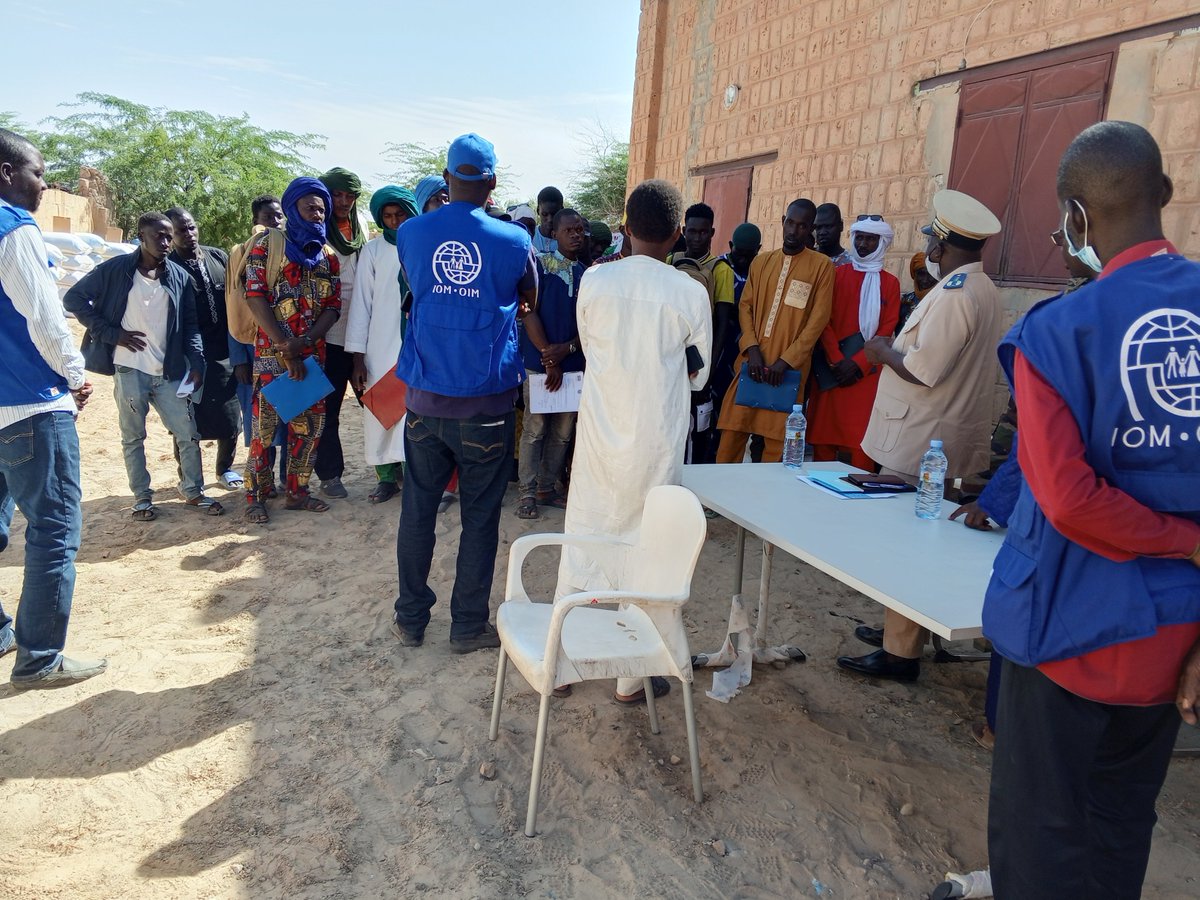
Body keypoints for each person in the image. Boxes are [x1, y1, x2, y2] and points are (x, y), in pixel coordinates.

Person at [982, 121, 1200, 900]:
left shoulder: (1059, 332)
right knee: (1120, 824)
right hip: (1175, 640)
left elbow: (1069, 501)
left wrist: (1179, 540)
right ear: (1165, 196)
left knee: (1039, 831)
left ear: (1076, 219)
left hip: (1070, 631)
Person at [555, 178, 711, 703]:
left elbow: (593, 349)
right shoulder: (689, 292)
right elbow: (699, 376)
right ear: (675, 235)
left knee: (583, 540)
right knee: (646, 551)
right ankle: (629, 679)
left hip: (601, 437)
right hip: (656, 443)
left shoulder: (595, 283)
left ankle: (555, 665)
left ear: (625, 230)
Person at [837, 189, 1002, 682]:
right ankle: (908, 627)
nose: (928, 244)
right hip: (945, 431)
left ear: (944, 243)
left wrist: (882, 350)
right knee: (926, 541)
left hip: (922, 437)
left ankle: (900, 652)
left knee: (905, 543)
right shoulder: (983, 288)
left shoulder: (954, 296)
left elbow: (923, 370)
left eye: (933, 237)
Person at [390, 133, 539, 653]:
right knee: (479, 517)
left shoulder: (411, 232)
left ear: (447, 177)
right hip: (487, 407)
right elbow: (529, 297)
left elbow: (417, 285)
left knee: (418, 510)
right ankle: (466, 626)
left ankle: (410, 619)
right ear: (493, 183)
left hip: (424, 404)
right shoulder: (514, 241)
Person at [0, 128, 106, 689]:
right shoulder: (13, 230)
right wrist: (73, 375)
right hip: (27, 406)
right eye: (38, 172)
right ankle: (39, 659)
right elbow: (43, 318)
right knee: (54, 528)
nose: (44, 184)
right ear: (6, 172)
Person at [64, 212, 221, 520]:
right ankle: (142, 499)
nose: (165, 242)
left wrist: (198, 361)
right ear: (141, 237)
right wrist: (112, 334)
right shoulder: (115, 270)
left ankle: (192, 491)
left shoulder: (179, 277)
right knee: (133, 436)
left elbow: (190, 326)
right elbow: (74, 299)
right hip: (129, 370)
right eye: (158, 236)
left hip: (170, 371)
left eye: (168, 236)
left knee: (187, 433)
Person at [241, 177, 342, 523]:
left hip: (312, 357)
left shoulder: (328, 255)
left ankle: (297, 492)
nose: (317, 213)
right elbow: (254, 295)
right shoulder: (267, 246)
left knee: (309, 429)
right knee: (263, 431)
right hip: (272, 357)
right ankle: (256, 495)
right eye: (310, 207)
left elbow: (333, 306)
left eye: (322, 208)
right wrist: (287, 348)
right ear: (291, 207)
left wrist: (306, 343)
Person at [715, 198, 834, 463]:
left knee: (776, 447)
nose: (794, 231)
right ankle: (715, 503)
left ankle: (764, 503)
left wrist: (786, 361)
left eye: (802, 226)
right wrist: (752, 349)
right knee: (731, 435)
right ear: (782, 222)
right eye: (790, 223)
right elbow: (745, 307)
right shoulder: (762, 263)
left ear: (811, 228)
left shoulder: (822, 267)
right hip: (751, 365)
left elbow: (818, 320)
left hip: (787, 373)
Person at [806, 216, 901, 470]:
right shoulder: (836, 275)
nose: (863, 244)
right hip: (832, 370)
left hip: (865, 375)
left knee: (862, 446)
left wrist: (858, 363)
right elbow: (823, 320)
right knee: (823, 443)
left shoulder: (890, 283)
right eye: (860, 238)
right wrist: (837, 360)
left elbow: (886, 328)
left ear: (881, 243)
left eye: (870, 239)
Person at [346, 185, 420, 504]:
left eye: (399, 214)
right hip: (379, 344)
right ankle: (386, 478)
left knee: (410, 413)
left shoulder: (422, 246)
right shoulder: (373, 251)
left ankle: (410, 472)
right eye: (387, 216)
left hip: (414, 344)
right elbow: (361, 304)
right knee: (381, 412)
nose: (393, 221)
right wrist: (358, 357)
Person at [516, 208, 586, 519]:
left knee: (562, 431)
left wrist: (567, 349)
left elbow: (592, 325)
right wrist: (549, 355)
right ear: (553, 234)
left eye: (579, 230)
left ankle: (546, 487)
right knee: (535, 428)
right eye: (569, 230)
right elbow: (527, 312)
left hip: (573, 366)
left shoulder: (588, 274)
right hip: (539, 364)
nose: (575, 234)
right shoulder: (539, 268)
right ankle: (527, 493)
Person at [165, 207, 241, 489]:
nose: (189, 235)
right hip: (188, 354)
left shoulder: (217, 256)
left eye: (191, 228)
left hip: (224, 350)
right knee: (186, 417)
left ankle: (225, 469)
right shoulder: (168, 266)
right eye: (180, 231)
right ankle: (186, 474)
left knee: (230, 415)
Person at [668, 202, 735, 465]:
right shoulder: (670, 262)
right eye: (692, 231)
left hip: (701, 362)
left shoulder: (721, 270)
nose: (697, 238)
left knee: (700, 429)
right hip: (672, 359)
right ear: (684, 230)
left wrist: (707, 370)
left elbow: (722, 324)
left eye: (703, 232)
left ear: (712, 233)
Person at [313, 167, 366, 500]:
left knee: (377, 404)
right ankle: (330, 475)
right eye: (338, 195)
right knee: (327, 411)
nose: (344, 202)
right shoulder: (315, 236)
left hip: (361, 338)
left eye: (351, 195)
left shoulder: (363, 237)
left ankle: (391, 472)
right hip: (327, 338)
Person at [228, 195, 286, 492]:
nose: (274, 223)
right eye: (268, 217)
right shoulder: (241, 252)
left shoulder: (289, 249)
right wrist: (238, 356)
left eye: (278, 217)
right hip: (251, 348)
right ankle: (263, 484)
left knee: (289, 418)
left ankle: (289, 481)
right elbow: (234, 305)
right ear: (255, 220)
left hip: (286, 350)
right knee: (259, 425)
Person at [711, 223, 762, 444]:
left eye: (748, 256)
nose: (742, 260)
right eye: (738, 254)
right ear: (731, 246)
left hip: (747, 349)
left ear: (757, 250)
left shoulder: (759, 271)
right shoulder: (719, 268)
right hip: (721, 348)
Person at [896, 251, 937, 333]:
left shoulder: (941, 300)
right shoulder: (904, 301)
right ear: (914, 274)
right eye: (921, 274)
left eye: (930, 275)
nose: (925, 280)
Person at [813, 202, 851, 267]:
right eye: (818, 227)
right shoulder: (807, 259)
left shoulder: (851, 263)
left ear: (841, 226)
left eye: (828, 226)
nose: (822, 232)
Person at [532, 186, 563, 254]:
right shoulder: (529, 237)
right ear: (538, 211)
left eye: (554, 214)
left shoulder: (568, 239)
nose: (550, 219)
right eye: (545, 214)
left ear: (562, 211)